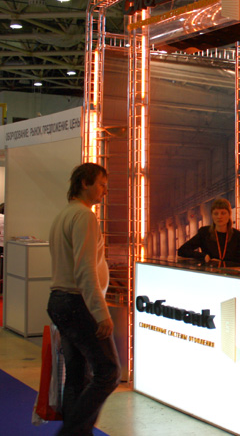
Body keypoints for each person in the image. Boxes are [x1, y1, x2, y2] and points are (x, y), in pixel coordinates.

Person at [47, 163, 121, 436]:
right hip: (77, 303)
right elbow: (85, 270)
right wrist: (101, 313)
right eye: (101, 184)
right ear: (85, 183)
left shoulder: (64, 215)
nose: (105, 190)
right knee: (108, 372)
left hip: (62, 301)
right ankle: (71, 432)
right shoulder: (84, 217)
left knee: (77, 375)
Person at [177, 198, 240, 266]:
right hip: (209, 271)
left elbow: (239, 262)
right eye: (216, 214)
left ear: (229, 215)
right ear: (212, 216)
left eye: (223, 213)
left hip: (229, 272)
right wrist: (203, 256)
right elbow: (182, 250)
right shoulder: (204, 232)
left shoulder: (238, 236)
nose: (219, 216)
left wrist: (221, 263)